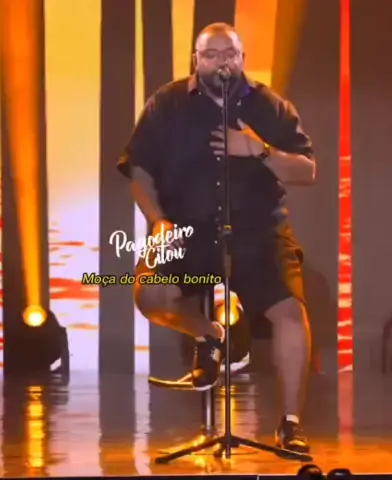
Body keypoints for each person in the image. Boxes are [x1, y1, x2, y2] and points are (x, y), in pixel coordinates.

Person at [117, 22, 315, 453]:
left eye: (229, 54)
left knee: (289, 312)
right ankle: (211, 334)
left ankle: (290, 423)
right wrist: (158, 221)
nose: (221, 62)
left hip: (258, 231)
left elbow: (307, 171)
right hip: (188, 231)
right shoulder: (167, 103)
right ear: (196, 60)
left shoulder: (270, 106)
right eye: (211, 54)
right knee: (150, 294)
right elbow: (138, 170)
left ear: (242, 59)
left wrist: (258, 149)